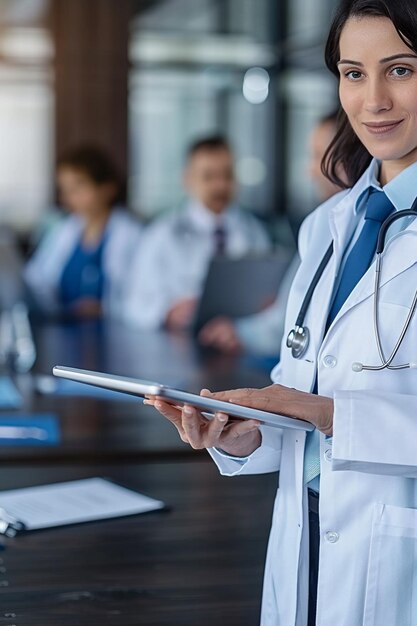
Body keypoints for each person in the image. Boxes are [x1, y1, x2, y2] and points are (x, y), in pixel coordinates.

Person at [147, 1, 417, 624]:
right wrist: (246, 431)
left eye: (400, 70)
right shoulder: (327, 226)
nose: (373, 99)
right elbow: (301, 386)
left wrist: (327, 415)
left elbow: (326, 408)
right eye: (353, 73)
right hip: (309, 530)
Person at [199, 112, 343, 355]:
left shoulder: (329, 226)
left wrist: (248, 327)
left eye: (318, 156)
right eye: (209, 177)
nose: (310, 171)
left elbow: (287, 320)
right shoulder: (322, 225)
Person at [123, 136, 271, 330]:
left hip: (237, 341)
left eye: (227, 175)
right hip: (179, 345)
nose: (220, 186)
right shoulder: (161, 235)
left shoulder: (254, 232)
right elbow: (133, 304)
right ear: (188, 180)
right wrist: (168, 311)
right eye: (208, 177)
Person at [24, 146, 142, 318]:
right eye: (65, 190)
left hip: (114, 331)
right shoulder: (63, 231)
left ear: (107, 188)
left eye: (78, 187)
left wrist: (107, 308)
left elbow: (143, 295)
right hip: (64, 327)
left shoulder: (133, 234)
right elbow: (36, 280)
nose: (70, 197)